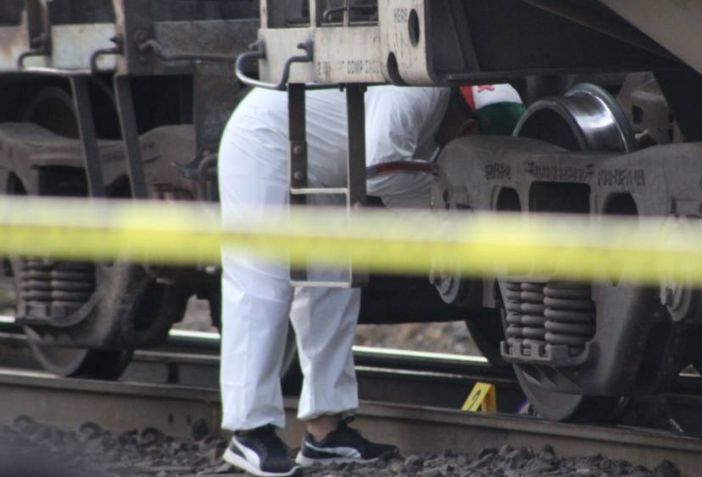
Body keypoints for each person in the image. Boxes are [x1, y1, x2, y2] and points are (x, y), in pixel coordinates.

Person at [217, 84, 524, 477]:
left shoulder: (435, 109)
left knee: (335, 289)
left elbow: (395, 180)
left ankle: (325, 433)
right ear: (467, 129)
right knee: (262, 282)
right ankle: (250, 431)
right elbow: (381, 171)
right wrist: (445, 220)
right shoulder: (417, 94)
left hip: (324, 165)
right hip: (263, 145)